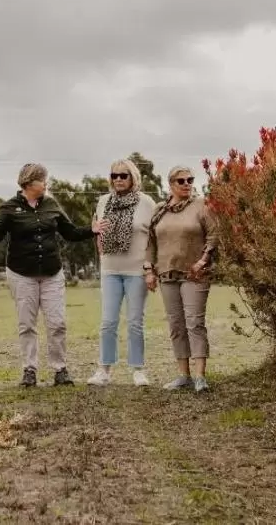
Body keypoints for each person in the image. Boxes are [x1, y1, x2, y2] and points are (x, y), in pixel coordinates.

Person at [0, 163, 107, 387]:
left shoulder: (51, 205)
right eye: (42, 180)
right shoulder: (9, 208)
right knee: (27, 324)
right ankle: (29, 369)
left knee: (57, 322)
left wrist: (91, 230)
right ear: (29, 183)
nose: (46, 184)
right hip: (21, 274)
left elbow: (71, 232)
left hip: (52, 273)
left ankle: (60, 369)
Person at [144, 165, 218, 393]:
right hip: (167, 274)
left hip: (195, 274)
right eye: (181, 181)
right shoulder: (160, 209)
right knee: (176, 326)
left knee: (195, 323)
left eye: (190, 180)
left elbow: (214, 235)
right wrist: (149, 270)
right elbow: (150, 242)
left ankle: (200, 377)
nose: (187, 184)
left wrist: (203, 261)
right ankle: (183, 375)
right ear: (171, 185)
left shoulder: (202, 205)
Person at [86, 159, 158, 387]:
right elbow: (98, 232)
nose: (118, 179)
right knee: (108, 322)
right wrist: (100, 252)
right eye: (114, 175)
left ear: (133, 177)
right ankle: (104, 370)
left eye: (123, 175)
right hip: (110, 271)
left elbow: (153, 240)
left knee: (135, 322)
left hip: (137, 271)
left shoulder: (147, 203)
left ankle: (138, 370)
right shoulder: (103, 202)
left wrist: (149, 269)